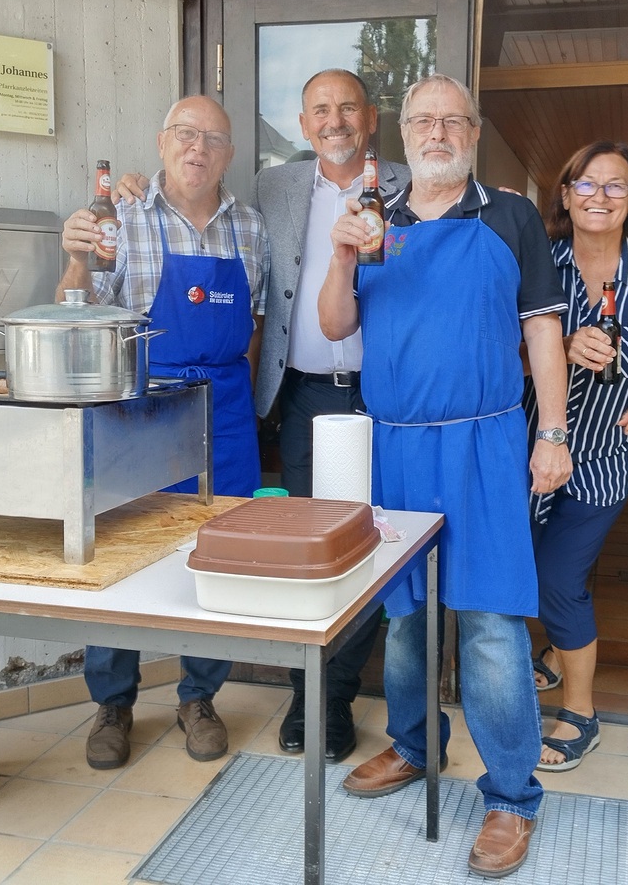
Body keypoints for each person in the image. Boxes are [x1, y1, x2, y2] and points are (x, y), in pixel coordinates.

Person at [318, 73, 572, 879]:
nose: (437, 133)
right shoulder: (374, 221)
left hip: (484, 444)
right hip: (394, 449)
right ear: (403, 135)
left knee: (491, 623)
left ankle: (511, 796)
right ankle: (416, 745)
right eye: (424, 121)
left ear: (473, 131)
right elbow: (335, 323)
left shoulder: (509, 216)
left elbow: (543, 331)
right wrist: (339, 255)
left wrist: (553, 434)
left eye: (452, 121)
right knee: (405, 618)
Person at [116, 69, 410, 763]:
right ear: (303, 126)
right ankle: (305, 696)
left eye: (347, 108)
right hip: (299, 397)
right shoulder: (273, 191)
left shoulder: (411, 188)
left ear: (371, 118)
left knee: (376, 544)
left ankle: (332, 697)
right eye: (319, 111)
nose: (334, 121)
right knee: (304, 552)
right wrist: (128, 189)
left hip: (388, 397)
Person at [57, 95, 270, 770]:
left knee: (220, 553)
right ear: (161, 142)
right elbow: (75, 313)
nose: (197, 148)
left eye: (213, 138)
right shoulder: (120, 219)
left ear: (229, 153)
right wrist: (76, 260)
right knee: (120, 550)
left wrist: (243, 404)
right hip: (140, 410)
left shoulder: (251, 226)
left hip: (225, 409)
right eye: (185, 133)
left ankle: (199, 697)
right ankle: (113, 702)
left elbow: (255, 325)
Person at [522, 139, 628, 773]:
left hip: (609, 453)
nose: (600, 196)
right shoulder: (537, 264)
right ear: (566, 197)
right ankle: (553, 653)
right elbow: (496, 354)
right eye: (586, 184)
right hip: (531, 448)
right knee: (527, 565)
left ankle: (581, 712)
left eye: (616, 185)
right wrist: (558, 347)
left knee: (558, 580)